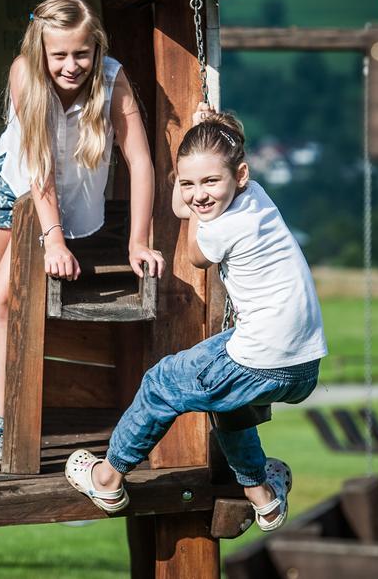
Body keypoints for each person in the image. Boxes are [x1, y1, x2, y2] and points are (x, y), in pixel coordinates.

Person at [65, 105, 326, 530]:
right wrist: (197, 146)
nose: (198, 193)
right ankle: (264, 497)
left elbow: (193, 255)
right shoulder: (256, 196)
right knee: (229, 402)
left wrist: (193, 207)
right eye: (188, 183)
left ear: (238, 175)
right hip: (303, 365)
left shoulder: (224, 227)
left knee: (162, 382)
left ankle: (107, 478)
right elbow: (186, 202)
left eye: (210, 182)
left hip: (262, 354)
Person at [0, 0, 165, 471]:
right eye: (60, 55)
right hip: (12, 189)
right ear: (41, 51)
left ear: (96, 48)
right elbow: (39, 164)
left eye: (81, 54)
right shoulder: (25, 75)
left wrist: (138, 239)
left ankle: (3, 421)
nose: (72, 66)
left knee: (8, 301)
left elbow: (141, 162)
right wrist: (54, 239)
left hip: (61, 203)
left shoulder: (112, 79)